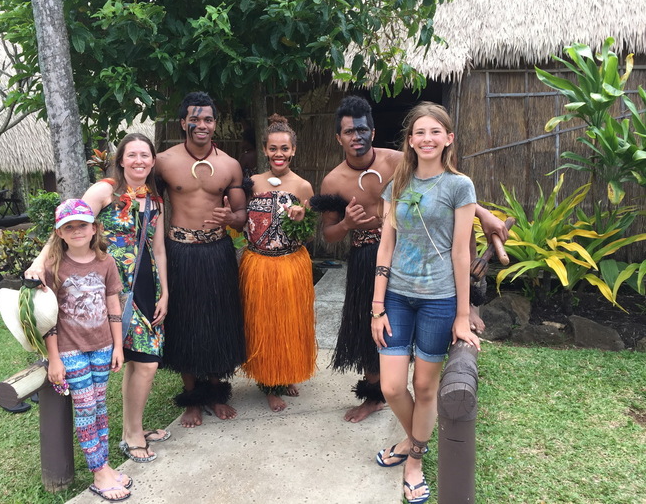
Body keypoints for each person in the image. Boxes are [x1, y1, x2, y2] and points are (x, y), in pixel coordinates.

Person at [314, 96, 507, 423]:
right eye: (349, 131)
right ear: (339, 138)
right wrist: (347, 223)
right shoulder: (333, 180)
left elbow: (436, 186)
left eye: (362, 129)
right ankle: (376, 394)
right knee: (368, 330)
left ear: (373, 132)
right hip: (366, 257)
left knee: (416, 334)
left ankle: (424, 382)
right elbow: (328, 234)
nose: (356, 136)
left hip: (410, 254)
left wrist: (483, 214)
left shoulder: (395, 161)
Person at [26, 133, 170, 463]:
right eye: (131, 155)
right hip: (104, 291)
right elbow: (67, 227)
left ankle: (132, 428)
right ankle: (132, 434)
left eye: (145, 155)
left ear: (152, 161)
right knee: (139, 363)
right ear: (121, 160)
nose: (138, 161)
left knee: (145, 363)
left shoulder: (155, 201)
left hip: (146, 289)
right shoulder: (104, 191)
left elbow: (158, 249)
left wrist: (165, 292)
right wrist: (39, 263)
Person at [371, 102, 482, 504]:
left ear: (448, 138)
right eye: (420, 132)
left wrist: (462, 317)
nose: (427, 138)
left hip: (439, 300)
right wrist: (377, 305)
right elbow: (386, 246)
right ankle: (415, 436)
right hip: (397, 297)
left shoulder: (459, 186)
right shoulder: (396, 186)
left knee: (424, 386)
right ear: (410, 141)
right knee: (391, 386)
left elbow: (460, 253)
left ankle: (413, 458)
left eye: (435, 131)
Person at [155, 91, 247, 427]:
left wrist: (230, 219)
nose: (201, 125)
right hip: (180, 251)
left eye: (207, 119)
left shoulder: (230, 165)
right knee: (186, 322)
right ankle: (192, 398)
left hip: (217, 250)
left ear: (215, 123)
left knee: (217, 320)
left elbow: (241, 214)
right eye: (195, 119)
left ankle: (215, 390)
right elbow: (145, 203)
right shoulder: (163, 162)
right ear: (183, 122)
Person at [42, 199, 131, 502]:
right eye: (70, 226)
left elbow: (113, 305)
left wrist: (118, 345)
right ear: (60, 233)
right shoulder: (55, 267)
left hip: (103, 346)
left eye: (82, 224)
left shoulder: (105, 262)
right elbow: (47, 316)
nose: (77, 230)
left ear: (94, 228)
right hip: (70, 350)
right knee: (86, 408)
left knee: (101, 406)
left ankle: (104, 465)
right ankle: (98, 472)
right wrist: (54, 358)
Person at [240, 114, 317, 411]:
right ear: (264, 150)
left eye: (284, 148)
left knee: (290, 322)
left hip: (290, 264)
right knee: (264, 325)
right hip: (258, 264)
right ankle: (269, 382)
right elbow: (242, 220)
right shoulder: (252, 183)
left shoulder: (303, 186)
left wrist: (301, 217)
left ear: (294, 150)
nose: (279, 154)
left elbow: (309, 233)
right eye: (273, 148)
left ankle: (287, 372)